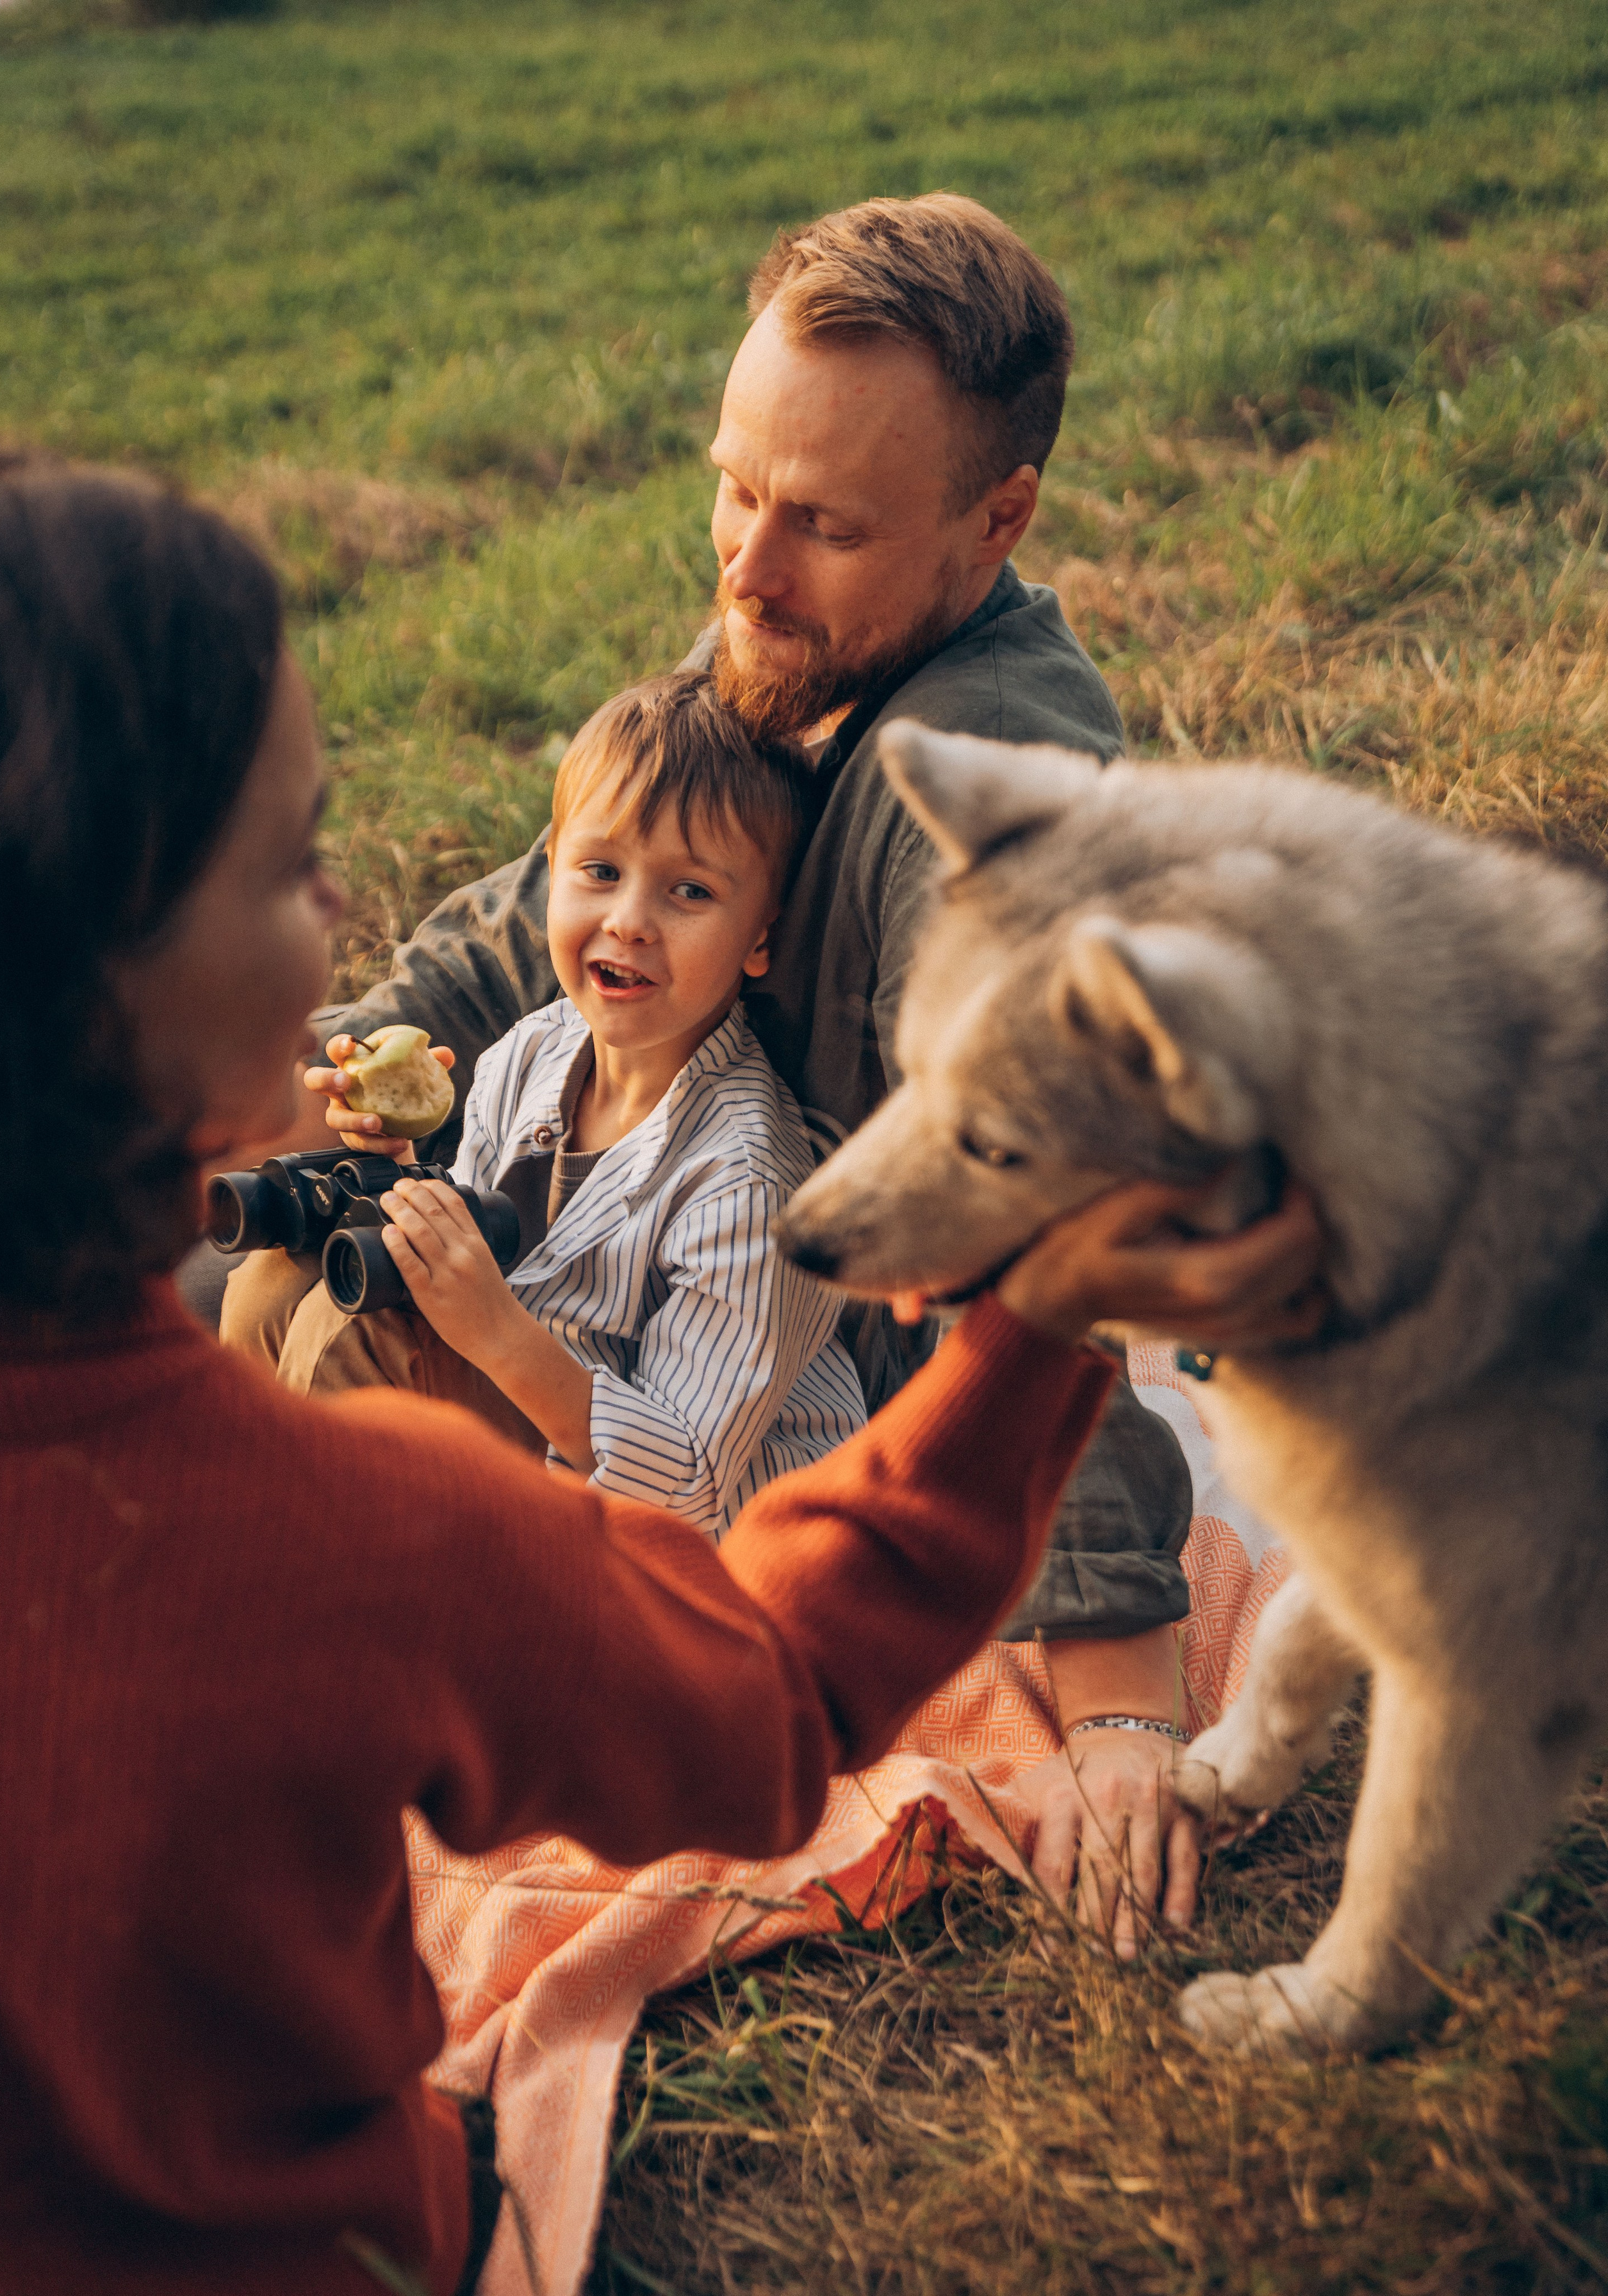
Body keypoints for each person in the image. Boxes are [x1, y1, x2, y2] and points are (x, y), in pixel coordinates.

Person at [0, 454, 1322, 2290]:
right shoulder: (359, 1537)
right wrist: (1030, 1331)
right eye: (294, 867)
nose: (346, 921)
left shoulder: (703, 1154)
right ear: (116, 987)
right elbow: (771, 1695)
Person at [269, 192, 1276, 1944]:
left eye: (817, 519)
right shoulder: (792, 633)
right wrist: (331, 1062)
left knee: (320, 1353)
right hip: (603, 1250)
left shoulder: (992, 797)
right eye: (736, 486)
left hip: (775, 1400)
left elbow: (1065, 1233)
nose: (746, 559)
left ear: (997, 520)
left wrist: (1119, 1688)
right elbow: (533, 921)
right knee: (230, 1250)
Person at [224, 672, 868, 1541]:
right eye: (600, 872)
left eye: (689, 893)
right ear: (553, 874)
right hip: (535, 1435)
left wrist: (497, 1335)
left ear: (762, 937)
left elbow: (686, 1480)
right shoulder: (535, 1049)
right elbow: (481, 1239)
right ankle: (249, 1528)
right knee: (275, 1283)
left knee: (359, 1338)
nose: (630, 922)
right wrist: (396, 1176)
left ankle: (322, 1602)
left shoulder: (752, 1184)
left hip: (692, 1539)